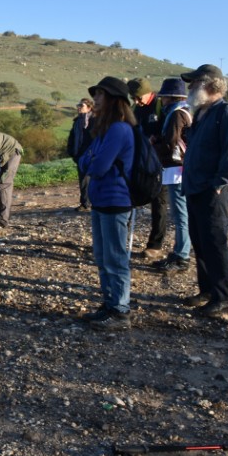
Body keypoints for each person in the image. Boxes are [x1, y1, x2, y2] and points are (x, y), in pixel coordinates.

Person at [180, 64, 228, 318]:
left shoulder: (227, 113)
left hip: (212, 191)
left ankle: (226, 297)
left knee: (215, 243)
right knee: (200, 242)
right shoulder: (203, 113)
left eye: (194, 83)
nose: (190, 87)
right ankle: (207, 291)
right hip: (195, 189)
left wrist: (220, 183)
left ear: (209, 85)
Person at [78, 77, 136, 330]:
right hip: (102, 199)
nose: (96, 99)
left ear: (114, 99)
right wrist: (91, 162)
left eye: (101, 94)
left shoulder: (119, 129)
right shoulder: (105, 129)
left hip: (115, 199)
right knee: (103, 256)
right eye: (96, 94)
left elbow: (97, 166)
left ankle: (121, 309)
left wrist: (91, 162)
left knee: (114, 257)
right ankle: (110, 303)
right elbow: (84, 161)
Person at [150, 78, 193, 273]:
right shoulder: (185, 111)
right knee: (180, 213)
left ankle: (182, 255)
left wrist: (154, 144)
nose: (162, 100)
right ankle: (179, 251)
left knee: (181, 213)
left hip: (177, 169)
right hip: (180, 167)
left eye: (164, 96)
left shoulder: (176, 115)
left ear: (170, 97)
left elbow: (171, 143)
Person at [128, 78, 168, 261]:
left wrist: (156, 139)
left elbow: (172, 131)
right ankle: (122, 238)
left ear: (148, 91)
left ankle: (155, 245)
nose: (137, 101)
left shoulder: (161, 105)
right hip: (141, 163)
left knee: (159, 204)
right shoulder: (137, 108)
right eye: (133, 98)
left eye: (138, 97)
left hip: (160, 164)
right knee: (130, 199)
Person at [66, 98, 94, 211]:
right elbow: (72, 138)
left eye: (81, 106)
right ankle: (85, 203)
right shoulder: (77, 122)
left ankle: (92, 203)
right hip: (80, 155)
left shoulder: (95, 121)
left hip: (92, 155)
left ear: (89, 108)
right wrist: (72, 153)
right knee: (83, 180)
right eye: (78, 105)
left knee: (92, 179)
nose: (78, 107)